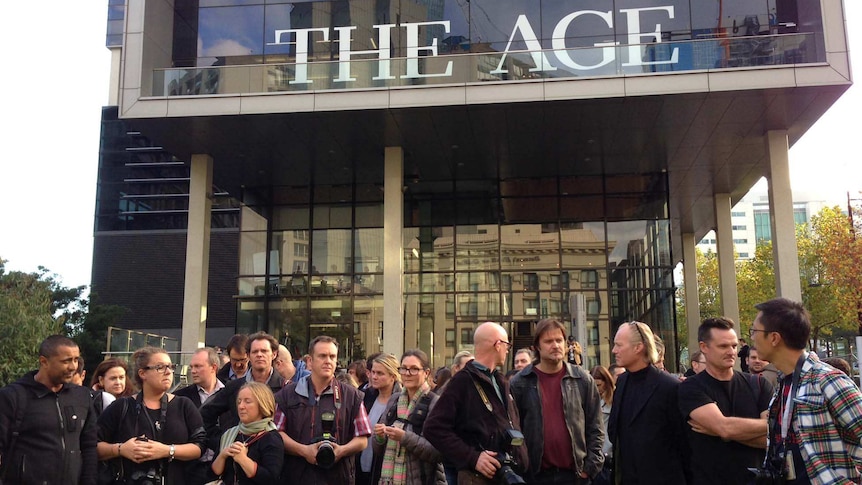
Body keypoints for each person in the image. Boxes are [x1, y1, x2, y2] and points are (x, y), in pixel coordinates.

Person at [750, 297, 862, 483]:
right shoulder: (785, 383)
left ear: (774, 338)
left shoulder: (826, 380)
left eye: (754, 331)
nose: (752, 338)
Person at [424, 322, 528, 485]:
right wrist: (472, 457)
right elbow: (433, 428)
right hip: (479, 478)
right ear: (498, 345)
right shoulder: (463, 381)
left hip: (509, 474)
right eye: (507, 344)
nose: (508, 349)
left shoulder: (502, 381)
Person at [678, 317, 772, 485]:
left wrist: (722, 432)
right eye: (723, 346)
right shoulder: (691, 387)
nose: (731, 352)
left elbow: (772, 439)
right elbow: (725, 428)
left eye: (734, 346)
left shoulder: (758, 384)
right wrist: (770, 425)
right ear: (704, 347)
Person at [510, 318, 604, 484]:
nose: (555, 345)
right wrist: (521, 466)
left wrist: (589, 469)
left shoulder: (582, 380)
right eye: (548, 341)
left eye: (559, 340)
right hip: (535, 476)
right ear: (537, 347)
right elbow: (513, 430)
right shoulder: (520, 382)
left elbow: (595, 428)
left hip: (575, 476)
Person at [96, 346, 206, 485]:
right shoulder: (122, 406)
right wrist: (120, 449)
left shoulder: (184, 405)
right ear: (142, 373)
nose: (168, 372)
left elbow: (200, 446)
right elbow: (93, 446)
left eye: (170, 366)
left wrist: (167, 450)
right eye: (160, 367)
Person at [0, 335, 98, 485]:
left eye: (76, 359)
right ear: (44, 362)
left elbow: (89, 446)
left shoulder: (82, 396)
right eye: (66, 361)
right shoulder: (13, 396)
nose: (73, 367)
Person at [273, 335, 372, 484]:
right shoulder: (287, 395)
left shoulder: (352, 396)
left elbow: (362, 438)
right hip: (296, 477)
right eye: (322, 356)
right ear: (310, 362)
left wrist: (341, 451)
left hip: (338, 478)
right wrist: (303, 451)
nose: (328, 361)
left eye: (332, 356)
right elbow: (276, 433)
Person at [608, 321, 689, 485]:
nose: (613, 350)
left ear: (638, 347)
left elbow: (685, 444)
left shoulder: (669, 387)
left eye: (618, 345)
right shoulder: (622, 382)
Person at [201, 332, 284, 452]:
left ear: (274, 354)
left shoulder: (286, 388)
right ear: (249, 356)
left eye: (264, 351)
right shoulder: (234, 387)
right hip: (235, 457)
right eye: (255, 352)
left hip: (273, 460)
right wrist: (222, 441)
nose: (259, 355)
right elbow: (205, 415)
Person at [372, 349, 445, 484]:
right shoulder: (395, 400)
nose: (407, 374)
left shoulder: (435, 402)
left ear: (426, 372)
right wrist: (379, 436)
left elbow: (438, 451)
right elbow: (377, 449)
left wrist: (404, 437)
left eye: (414, 369)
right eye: (404, 369)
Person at [211, 382, 284, 484]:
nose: (241, 406)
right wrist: (223, 455)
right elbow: (213, 473)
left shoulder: (271, 438)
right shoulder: (230, 433)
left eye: (247, 402)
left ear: (262, 405)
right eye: (239, 402)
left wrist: (243, 460)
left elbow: (271, 479)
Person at [175, 347, 225, 484]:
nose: (193, 371)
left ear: (213, 367)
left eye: (198, 366)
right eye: (192, 367)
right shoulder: (180, 397)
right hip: (190, 470)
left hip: (223, 468)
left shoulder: (231, 394)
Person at [357, 353, 401, 485]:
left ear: (393, 376)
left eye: (380, 373)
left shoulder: (401, 402)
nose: (374, 377)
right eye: (373, 372)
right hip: (361, 465)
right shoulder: (365, 397)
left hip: (386, 469)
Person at [590, 365, 615, 485]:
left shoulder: (614, 400)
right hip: (595, 457)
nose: (596, 388)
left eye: (598, 385)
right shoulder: (589, 399)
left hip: (610, 455)